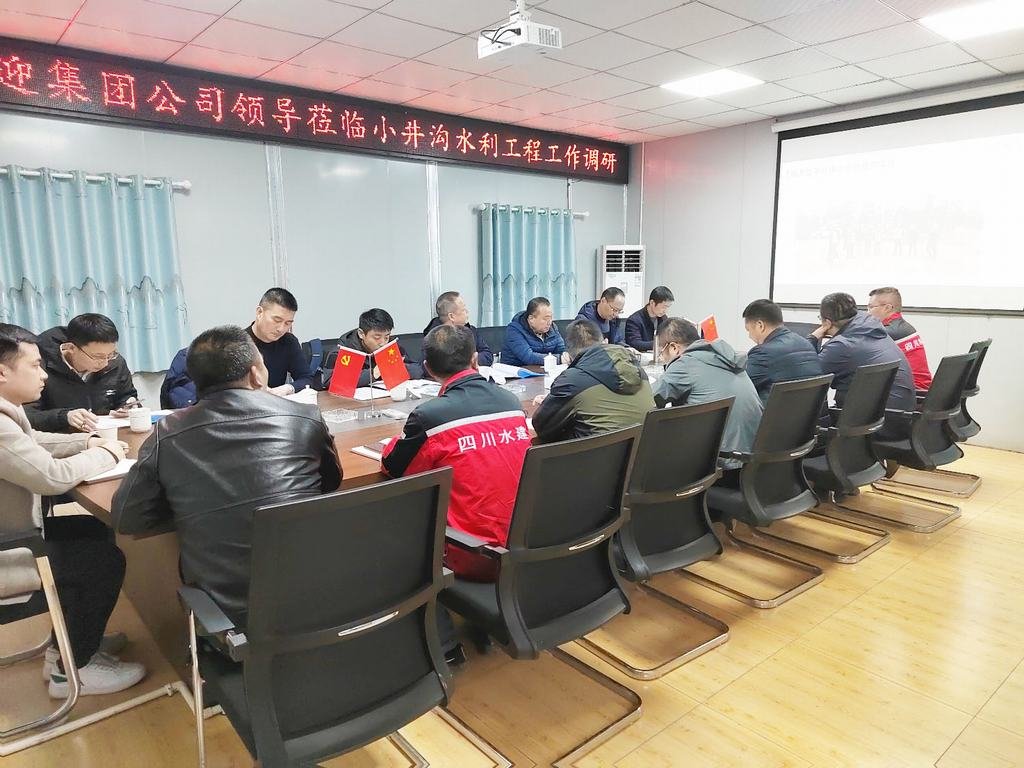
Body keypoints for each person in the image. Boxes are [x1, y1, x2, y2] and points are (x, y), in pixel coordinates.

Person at [112, 326, 342, 628]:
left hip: (227, 612)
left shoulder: (167, 432)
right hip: (317, 590)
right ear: (256, 374)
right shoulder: (304, 416)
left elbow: (127, 517)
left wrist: (189, 503)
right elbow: (330, 482)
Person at [0, 323, 147, 698]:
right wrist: (105, 453)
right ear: (2, 372)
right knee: (102, 562)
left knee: (93, 531)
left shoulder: (8, 414)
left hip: (16, 534)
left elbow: (33, 442)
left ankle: (65, 647)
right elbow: (51, 477)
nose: (43, 375)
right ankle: (72, 671)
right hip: (9, 550)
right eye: (35, 365)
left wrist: (86, 441)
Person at [382, 324, 529, 582]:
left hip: (471, 555)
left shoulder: (429, 417)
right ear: (474, 359)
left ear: (428, 369)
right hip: (524, 545)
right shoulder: (512, 403)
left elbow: (394, 468)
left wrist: (396, 441)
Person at [654, 318, 763, 473]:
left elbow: (648, 400)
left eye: (661, 352)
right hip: (755, 459)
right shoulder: (727, 359)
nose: (662, 359)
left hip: (723, 464)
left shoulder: (684, 364)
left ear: (673, 347)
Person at [533, 320, 654, 443]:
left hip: (598, 453)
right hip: (644, 449)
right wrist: (557, 400)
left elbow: (542, 428)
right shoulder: (636, 369)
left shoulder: (572, 380)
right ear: (603, 342)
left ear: (569, 354)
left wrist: (553, 405)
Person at [809, 292, 915, 433]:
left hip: (874, 426)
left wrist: (813, 338)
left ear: (827, 323)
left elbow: (806, 374)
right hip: (900, 418)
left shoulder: (843, 345)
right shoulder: (874, 328)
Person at [25, 313, 139, 433]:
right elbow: (26, 415)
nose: (106, 363)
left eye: (111, 354)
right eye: (97, 356)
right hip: (61, 439)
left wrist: (128, 405)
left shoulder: (115, 361)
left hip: (106, 434)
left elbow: (126, 395)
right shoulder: (38, 367)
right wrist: (64, 417)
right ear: (71, 348)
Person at [312, 308, 421, 390]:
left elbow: (418, 370)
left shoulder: (390, 345)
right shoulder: (344, 351)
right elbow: (332, 381)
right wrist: (373, 373)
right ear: (361, 334)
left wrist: (399, 367)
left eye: (387, 336)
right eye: (377, 337)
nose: (383, 343)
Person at [742, 299, 823, 404]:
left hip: (773, 414)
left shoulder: (762, 354)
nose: (749, 336)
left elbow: (740, 388)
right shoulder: (805, 344)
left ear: (760, 325)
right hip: (807, 413)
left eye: (749, 330)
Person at [246, 287, 313, 395]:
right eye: (277, 320)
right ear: (259, 312)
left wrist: (287, 388)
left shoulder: (288, 341)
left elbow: (307, 378)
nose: (281, 329)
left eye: (288, 323)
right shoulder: (237, 343)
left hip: (277, 402)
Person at [867, 287, 932, 390]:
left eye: (871, 307)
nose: (868, 312)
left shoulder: (888, 332)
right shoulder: (904, 327)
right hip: (919, 389)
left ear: (887, 308)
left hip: (912, 392)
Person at [422, 291, 494, 367]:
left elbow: (488, 355)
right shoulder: (433, 339)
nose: (467, 312)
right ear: (451, 316)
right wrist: (468, 363)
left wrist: (471, 361)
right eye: (463, 310)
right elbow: (434, 366)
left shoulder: (471, 330)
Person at [500, 296, 566, 367]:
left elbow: (561, 349)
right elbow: (528, 357)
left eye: (551, 317)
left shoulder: (552, 328)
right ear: (531, 319)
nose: (549, 322)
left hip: (543, 370)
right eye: (545, 319)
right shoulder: (514, 330)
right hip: (516, 371)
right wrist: (559, 359)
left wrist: (566, 356)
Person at [625, 286, 674, 352]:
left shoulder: (663, 318)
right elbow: (635, 343)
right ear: (652, 303)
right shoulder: (634, 320)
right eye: (664, 307)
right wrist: (658, 344)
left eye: (668, 307)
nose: (666, 311)